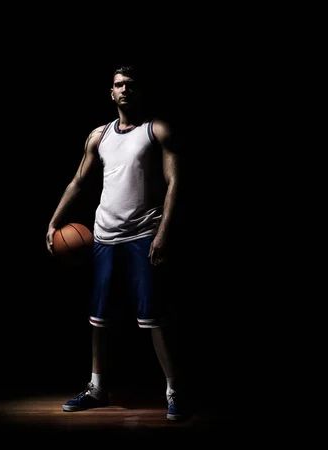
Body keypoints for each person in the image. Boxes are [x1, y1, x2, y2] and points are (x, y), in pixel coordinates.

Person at [45, 65, 188, 420]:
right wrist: (54, 222)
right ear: (111, 93)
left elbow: (176, 182)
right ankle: (97, 388)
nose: (124, 90)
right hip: (104, 235)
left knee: (154, 316)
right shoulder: (99, 136)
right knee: (99, 318)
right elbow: (78, 181)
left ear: (139, 92)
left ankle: (175, 391)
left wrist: (164, 232)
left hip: (143, 233)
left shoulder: (157, 131)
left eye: (130, 85)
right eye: (118, 85)